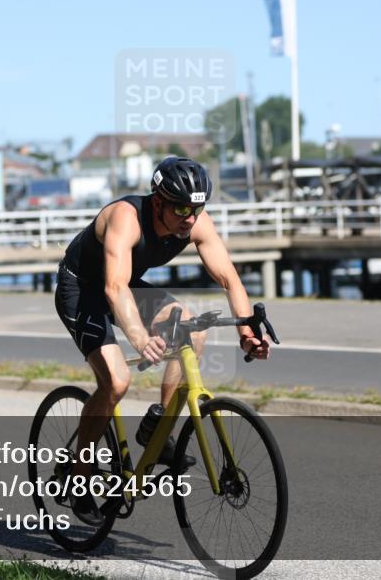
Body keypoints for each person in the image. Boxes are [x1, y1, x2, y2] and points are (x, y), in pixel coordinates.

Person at [54, 156, 271, 524]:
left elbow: (230, 279)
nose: (190, 218)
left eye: (198, 208)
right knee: (117, 382)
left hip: (125, 286)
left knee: (193, 328)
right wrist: (138, 336)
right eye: (182, 208)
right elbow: (113, 286)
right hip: (83, 289)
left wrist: (247, 333)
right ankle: (79, 473)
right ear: (158, 202)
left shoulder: (196, 222)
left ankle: (159, 426)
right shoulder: (125, 217)